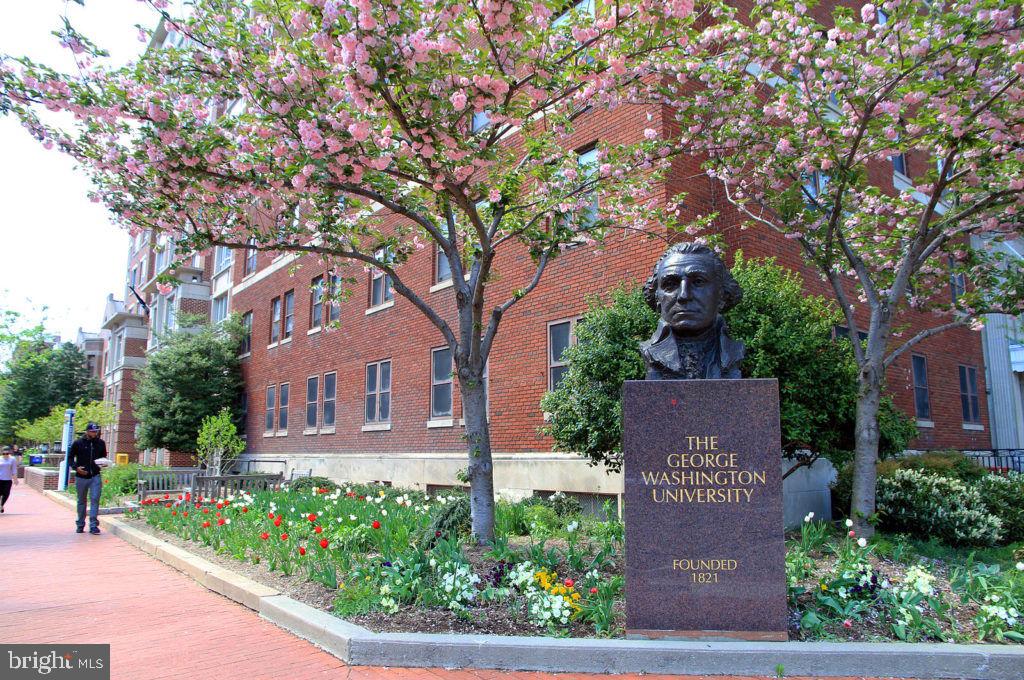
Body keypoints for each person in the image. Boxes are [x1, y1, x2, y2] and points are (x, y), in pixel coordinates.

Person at [641, 242, 745, 380]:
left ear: (721, 294)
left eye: (698, 282)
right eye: (670, 284)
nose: (684, 295)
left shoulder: (735, 352)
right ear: (657, 297)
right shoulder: (650, 352)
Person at [67, 423, 107, 534]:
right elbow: (70, 458)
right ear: (87, 431)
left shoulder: (100, 443)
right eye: (93, 431)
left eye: (96, 431)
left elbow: (103, 457)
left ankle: (93, 525)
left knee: (95, 499)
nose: (95, 433)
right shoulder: (78, 443)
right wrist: (76, 468)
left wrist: (104, 463)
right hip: (81, 476)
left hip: (95, 476)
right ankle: (80, 524)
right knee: (81, 501)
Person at [0, 446, 18, 513]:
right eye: (3, 454)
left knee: (6, 494)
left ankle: (1, 505)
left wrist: (15, 479)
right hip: (0, 479)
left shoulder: (12, 459)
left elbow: (14, 470)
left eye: (7, 454)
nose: (5, 455)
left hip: (8, 480)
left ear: (9, 453)